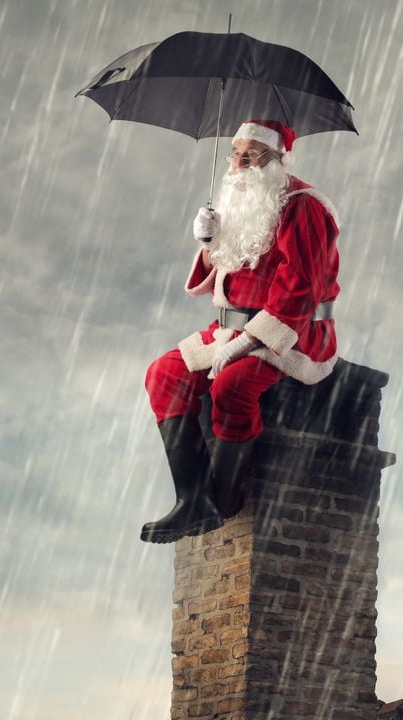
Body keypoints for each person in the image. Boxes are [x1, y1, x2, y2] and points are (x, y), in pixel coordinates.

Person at [141, 118, 342, 544]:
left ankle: (224, 499)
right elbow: (218, 278)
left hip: (294, 330)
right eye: (236, 153)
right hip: (226, 328)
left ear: (277, 158)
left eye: (252, 153)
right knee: (164, 374)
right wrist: (209, 245)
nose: (239, 162)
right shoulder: (236, 204)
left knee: (232, 387)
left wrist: (251, 341)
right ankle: (192, 499)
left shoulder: (304, 205)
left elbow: (300, 289)